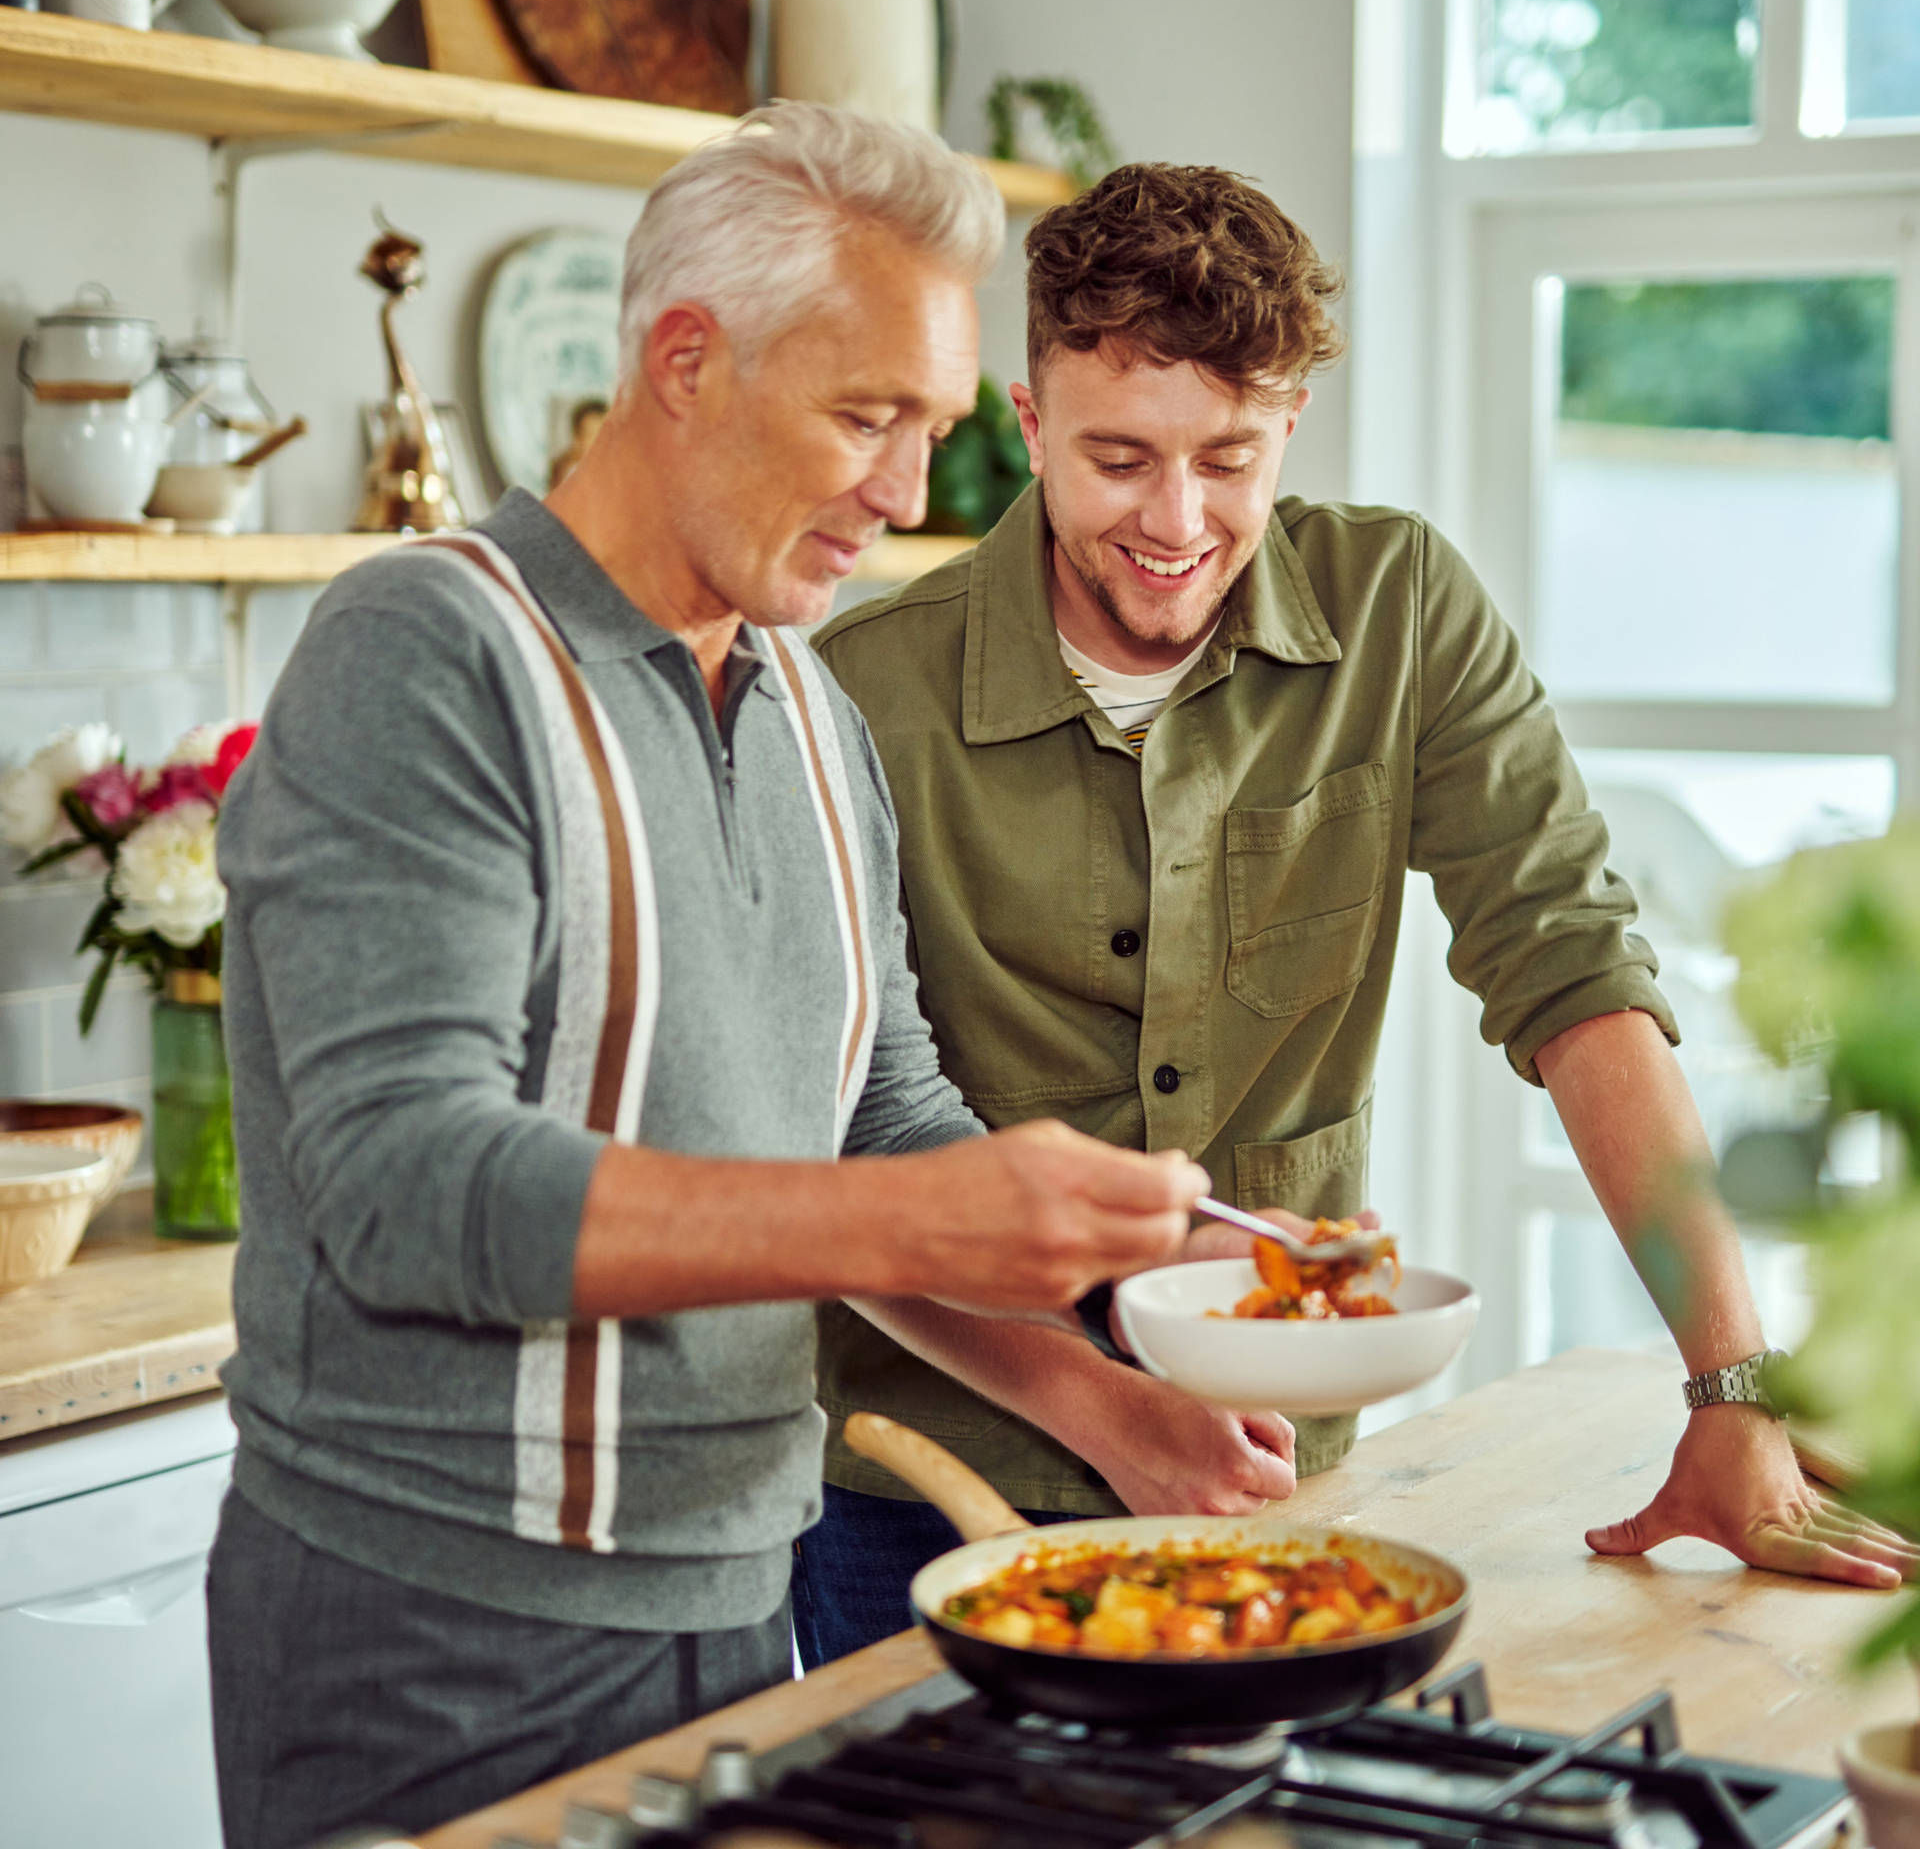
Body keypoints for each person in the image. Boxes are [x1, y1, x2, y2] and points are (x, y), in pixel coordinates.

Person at [203, 108, 1211, 1849]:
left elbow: (873, 1113)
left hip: (754, 1610)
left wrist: (1104, 1394)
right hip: (437, 1642)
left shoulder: (816, 709)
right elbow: (402, 1184)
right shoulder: (423, 655)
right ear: (687, 360)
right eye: (865, 417)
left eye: (937, 432)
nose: (906, 498)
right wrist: (918, 1224)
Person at [795, 160, 1918, 1667]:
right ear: (1029, 422)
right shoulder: (854, 692)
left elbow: (1574, 971)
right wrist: (1099, 1402)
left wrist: (1732, 1383)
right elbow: (833, 1138)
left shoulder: (1400, 610)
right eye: (1119, 458)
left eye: (1231, 459)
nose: (1178, 522)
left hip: (1280, 1460)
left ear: (1290, 428)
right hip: (924, 1486)